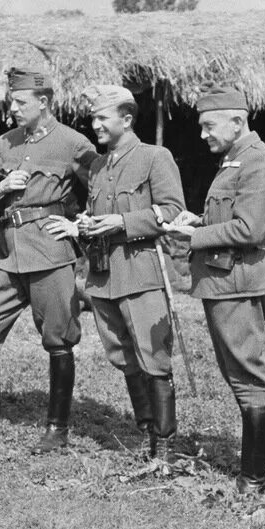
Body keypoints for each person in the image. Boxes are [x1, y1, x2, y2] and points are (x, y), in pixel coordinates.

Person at [45, 85, 187, 462]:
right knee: (122, 355)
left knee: (153, 356)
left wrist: (122, 221)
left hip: (141, 272)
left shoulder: (154, 157)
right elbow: (96, 213)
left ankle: (166, 446)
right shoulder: (98, 166)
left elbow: (173, 210)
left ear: (126, 120)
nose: (95, 126)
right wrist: (84, 225)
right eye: (93, 118)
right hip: (103, 275)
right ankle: (146, 433)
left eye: (102, 118)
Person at [0, 67, 95, 452]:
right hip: (8, 256)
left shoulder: (72, 143)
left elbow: (100, 190)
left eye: (21, 102)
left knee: (58, 340)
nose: (13, 108)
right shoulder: (5, 142)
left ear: (45, 102)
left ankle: (57, 430)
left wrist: (82, 228)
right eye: (12, 101)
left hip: (51, 252)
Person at [164, 85, 265, 495]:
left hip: (237, 281)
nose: (203, 135)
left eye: (208, 125)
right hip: (222, 281)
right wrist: (197, 220)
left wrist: (193, 236)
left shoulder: (259, 163)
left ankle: (255, 478)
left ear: (238, 121)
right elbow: (230, 217)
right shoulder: (235, 160)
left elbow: (250, 229)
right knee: (238, 374)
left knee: (247, 378)